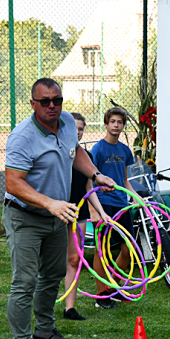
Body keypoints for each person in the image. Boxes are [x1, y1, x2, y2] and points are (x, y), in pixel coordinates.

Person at [4, 78, 117, 339]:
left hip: (57, 216)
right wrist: (49, 203)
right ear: (33, 104)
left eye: (57, 100)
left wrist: (95, 174)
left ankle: (45, 329)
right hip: (26, 216)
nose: (52, 106)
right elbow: (13, 183)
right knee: (25, 281)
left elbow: (75, 150)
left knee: (53, 275)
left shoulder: (66, 122)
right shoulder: (22, 137)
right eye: (45, 101)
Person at [63, 112, 110, 321]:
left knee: (74, 259)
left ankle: (69, 308)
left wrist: (101, 212)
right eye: (74, 128)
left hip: (78, 212)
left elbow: (89, 189)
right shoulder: (57, 152)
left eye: (81, 128)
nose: (78, 132)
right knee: (51, 263)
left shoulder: (86, 157)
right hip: (56, 210)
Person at [90, 107, 135, 309]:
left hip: (122, 204)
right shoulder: (98, 150)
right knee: (103, 251)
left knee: (129, 249)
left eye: (120, 122)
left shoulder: (125, 151)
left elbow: (125, 180)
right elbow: (90, 181)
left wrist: (135, 198)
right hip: (104, 204)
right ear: (106, 124)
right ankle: (102, 294)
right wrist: (94, 210)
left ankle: (114, 289)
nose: (116, 125)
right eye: (113, 121)